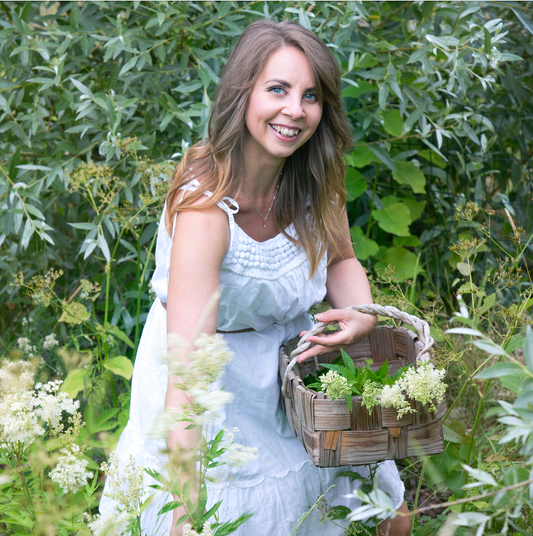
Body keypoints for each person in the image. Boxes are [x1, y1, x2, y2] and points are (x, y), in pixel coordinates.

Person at [100, 19, 411, 536]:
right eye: (278, 89)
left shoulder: (316, 179)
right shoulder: (206, 210)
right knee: (242, 519)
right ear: (242, 94)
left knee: (391, 520)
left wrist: (361, 314)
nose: (296, 110)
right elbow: (188, 378)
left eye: (310, 95)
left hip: (294, 374)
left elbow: (341, 259)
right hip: (215, 389)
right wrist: (184, 512)